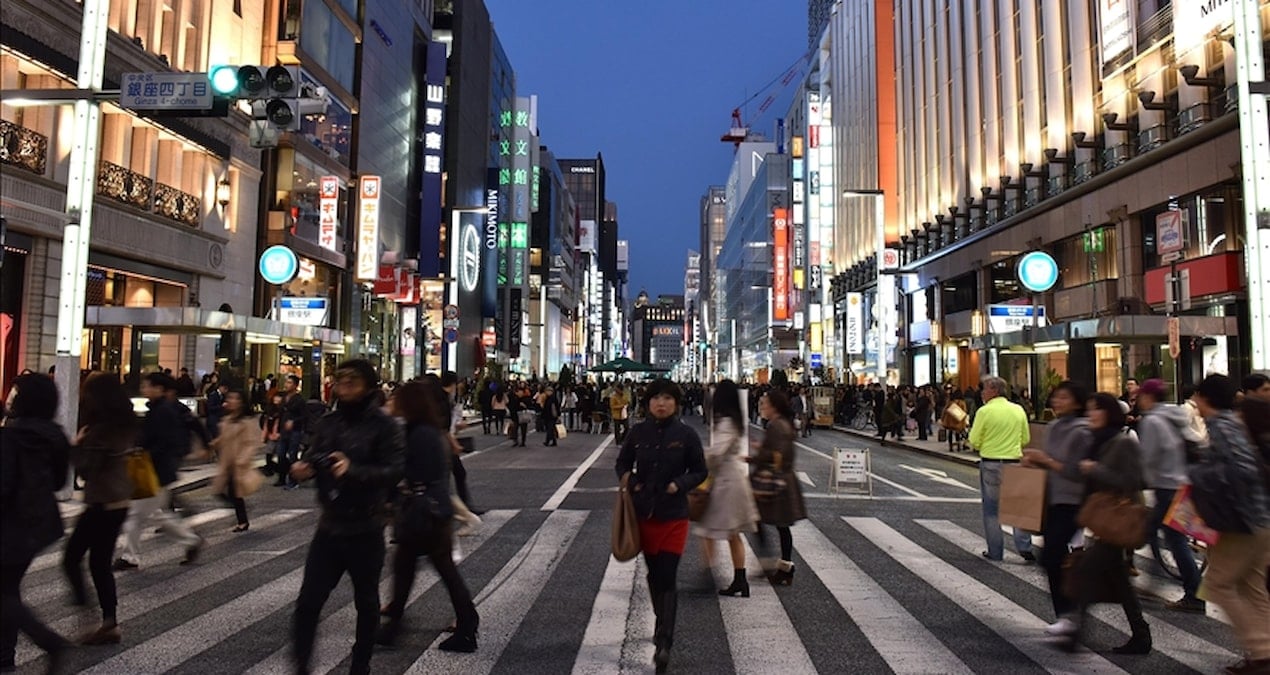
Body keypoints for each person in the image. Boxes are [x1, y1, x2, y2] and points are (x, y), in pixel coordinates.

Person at [290, 360, 405, 675]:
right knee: (308, 603)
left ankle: (360, 664)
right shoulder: (329, 422)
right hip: (329, 527)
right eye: (340, 382)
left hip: (366, 527)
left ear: (368, 386)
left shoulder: (385, 426)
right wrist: (304, 467)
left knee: (366, 603)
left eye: (351, 383)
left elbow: (394, 471)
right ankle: (301, 667)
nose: (344, 389)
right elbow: (314, 454)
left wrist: (352, 470)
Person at [376, 380, 478, 652]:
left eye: (397, 399)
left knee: (436, 569)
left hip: (425, 514)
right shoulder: (424, 430)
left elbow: (412, 472)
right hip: (429, 511)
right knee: (407, 567)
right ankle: (395, 625)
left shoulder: (420, 434)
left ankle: (467, 625)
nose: (392, 403)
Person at [614, 379, 706, 674]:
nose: (661, 403)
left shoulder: (686, 434)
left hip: (675, 515)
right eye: (656, 398)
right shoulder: (638, 432)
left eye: (667, 398)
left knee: (667, 575)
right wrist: (634, 483)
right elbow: (622, 464)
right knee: (655, 575)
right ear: (648, 402)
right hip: (644, 515)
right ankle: (661, 620)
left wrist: (679, 484)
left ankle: (665, 642)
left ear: (676, 403)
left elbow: (700, 470)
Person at [1058, 392, 1151, 655]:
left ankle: (1075, 632)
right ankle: (1141, 635)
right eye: (1088, 410)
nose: (1090, 415)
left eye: (1095, 410)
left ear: (1108, 413)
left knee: (1085, 571)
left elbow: (1136, 480)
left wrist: (1094, 469)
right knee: (1120, 580)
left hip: (1118, 520)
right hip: (1102, 520)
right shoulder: (1096, 441)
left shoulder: (1123, 442)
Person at [1191, 375, 1270, 674]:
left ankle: (1262, 652)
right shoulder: (1233, 423)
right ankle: (1263, 650)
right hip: (1260, 519)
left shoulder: (1222, 425)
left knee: (1218, 584)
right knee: (1253, 587)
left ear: (1203, 397)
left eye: (1196, 396)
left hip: (1242, 522)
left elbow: (1241, 469)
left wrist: (1198, 474)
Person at [1, 374, 71, 669]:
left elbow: (2, 487)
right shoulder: (56, 435)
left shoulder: (9, 437)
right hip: (39, 524)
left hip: (10, 526)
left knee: (3, 593)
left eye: (14, 392)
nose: (9, 397)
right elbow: (58, 482)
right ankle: (4, 656)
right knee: (7, 589)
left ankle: (50, 642)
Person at [63, 373, 135, 646]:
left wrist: (76, 445)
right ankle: (108, 622)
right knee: (99, 563)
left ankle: (93, 618)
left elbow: (85, 469)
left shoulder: (100, 430)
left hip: (102, 503)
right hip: (120, 502)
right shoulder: (125, 425)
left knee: (72, 559)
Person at [1022, 381, 1093, 637]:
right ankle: (1067, 614)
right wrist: (1036, 463)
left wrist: (1046, 461)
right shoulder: (1053, 427)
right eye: (1056, 397)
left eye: (1064, 397)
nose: (1057, 401)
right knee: (1053, 557)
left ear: (1077, 401)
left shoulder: (1082, 431)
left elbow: (1077, 472)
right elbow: (1053, 465)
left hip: (1075, 501)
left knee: (1051, 555)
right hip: (1052, 499)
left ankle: (1071, 612)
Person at [114, 372, 203, 571]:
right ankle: (191, 540)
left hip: (156, 471)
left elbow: (165, 442)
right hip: (156, 471)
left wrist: (142, 453)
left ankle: (130, 557)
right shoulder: (157, 410)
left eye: (148, 386)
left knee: (137, 514)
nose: (144, 390)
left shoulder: (163, 412)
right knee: (155, 514)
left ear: (159, 389)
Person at [1134, 378, 1206, 612]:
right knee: (1164, 534)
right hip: (1183, 484)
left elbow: (1149, 456)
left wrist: (1139, 477)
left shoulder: (1152, 421)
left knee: (1173, 539)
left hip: (1166, 487)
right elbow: (1196, 441)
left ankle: (1194, 593)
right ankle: (1156, 581)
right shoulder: (1175, 415)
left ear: (1148, 397)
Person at [693, 380, 759, 598]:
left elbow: (716, 454)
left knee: (706, 528)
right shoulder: (735, 421)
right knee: (731, 533)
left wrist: (697, 456)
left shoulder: (726, 422)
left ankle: (708, 575)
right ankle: (739, 579)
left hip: (725, 484)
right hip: (732, 480)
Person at [968, 376, 1035, 561]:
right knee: (1018, 508)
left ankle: (995, 551)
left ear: (994, 390)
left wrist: (982, 444)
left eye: (985, 389)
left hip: (991, 463)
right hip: (1014, 462)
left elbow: (974, 440)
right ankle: (1024, 546)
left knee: (992, 510)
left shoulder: (984, 411)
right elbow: (1025, 439)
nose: (982, 393)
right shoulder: (1018, 410)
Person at [752, 389, 807, 586]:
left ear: (773, 407)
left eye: (764, 404)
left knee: (761, 519)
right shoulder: (782, 424)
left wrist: (754, 456)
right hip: (784, 481)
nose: (762, 408)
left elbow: (777, 455)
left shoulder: (777, 426)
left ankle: (778, 566)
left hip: (778, 483)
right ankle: (783, 567)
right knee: (781, 526)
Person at [210, 389, 262, 533]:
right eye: (230, 398)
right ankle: (242, 516)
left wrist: (243, 459)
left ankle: (243, 521)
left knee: (235, 492)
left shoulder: (247, 421)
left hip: (238, 462)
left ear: (241, 402)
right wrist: (214, 444)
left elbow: (251, 443)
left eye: (235, 398)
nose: (231, 401)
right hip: (227, 461)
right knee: (220, 491)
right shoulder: (227, 419)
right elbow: (223, 437)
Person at [277, 375, 305, 488]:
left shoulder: (299, 399)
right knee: (280, 454)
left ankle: (293, 480)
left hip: (295, 431)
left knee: (292, 455)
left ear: (295, 385)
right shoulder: (284, 398)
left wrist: (294, 422)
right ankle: (282, 478)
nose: (286, 385)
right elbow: (281, 414)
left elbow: (304, 416)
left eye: (289, 383)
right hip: (284, 430)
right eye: (286, 382)